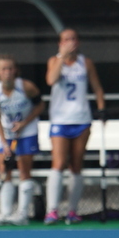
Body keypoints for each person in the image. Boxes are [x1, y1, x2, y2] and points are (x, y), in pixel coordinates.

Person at [44, 28, 105, 225]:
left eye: (73, 39)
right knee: (59, 163)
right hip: (60, 120)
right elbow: (51, 80)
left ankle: (72, 210)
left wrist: (101, 109)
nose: (70, 42)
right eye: (66, 40)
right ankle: (52, 210)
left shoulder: (85, 63)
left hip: (81, 119)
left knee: (76, 165)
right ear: (60, 43)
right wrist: (62, 57)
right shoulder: (55, 61)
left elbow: (97, 88)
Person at [0, 54, 44, 225]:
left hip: (27, 131)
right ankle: (5, 212)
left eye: (10, 69)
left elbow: (40, 106)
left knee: (24, 170)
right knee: (5, 171)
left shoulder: (27, 87)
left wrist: (24, 123)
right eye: (4, 69)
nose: (7, 72)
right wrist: (4, 144)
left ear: (15, 70)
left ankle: (22, 214)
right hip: (7, 133)